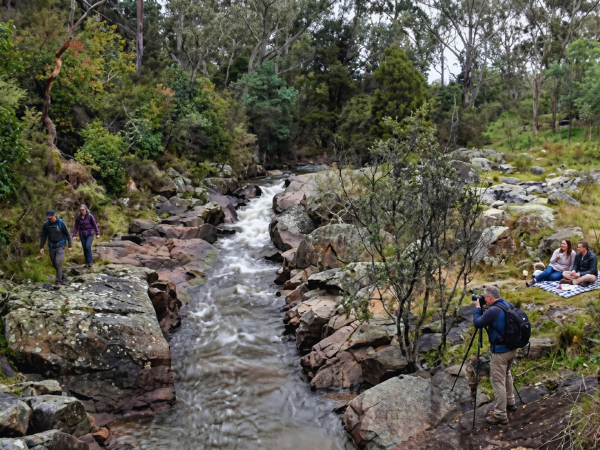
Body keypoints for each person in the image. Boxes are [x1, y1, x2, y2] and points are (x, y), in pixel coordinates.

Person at [473, 286, 517, 425]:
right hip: (512, 348)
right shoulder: (508, 305)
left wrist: (477, 308)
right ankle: (511, 402)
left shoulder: (493, 310)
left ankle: (500, 415)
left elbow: (477, 323)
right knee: (507, 374)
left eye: (485, 297)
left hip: (501, 352)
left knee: (497, 382)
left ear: (490, 298)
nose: (484, 299)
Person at [40, 210, 73, 287]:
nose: (49, 219)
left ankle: (58, 282)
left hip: (61, 245)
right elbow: (43, 236)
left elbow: (68, 234)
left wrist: (70, 245)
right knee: (54, 264)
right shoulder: (46, 224)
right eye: (48, 218)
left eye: (51, 218)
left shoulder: (61, 223)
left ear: (54, 216)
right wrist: (41, 247)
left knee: (58, 262)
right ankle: (63, 276)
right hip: (51, 246)